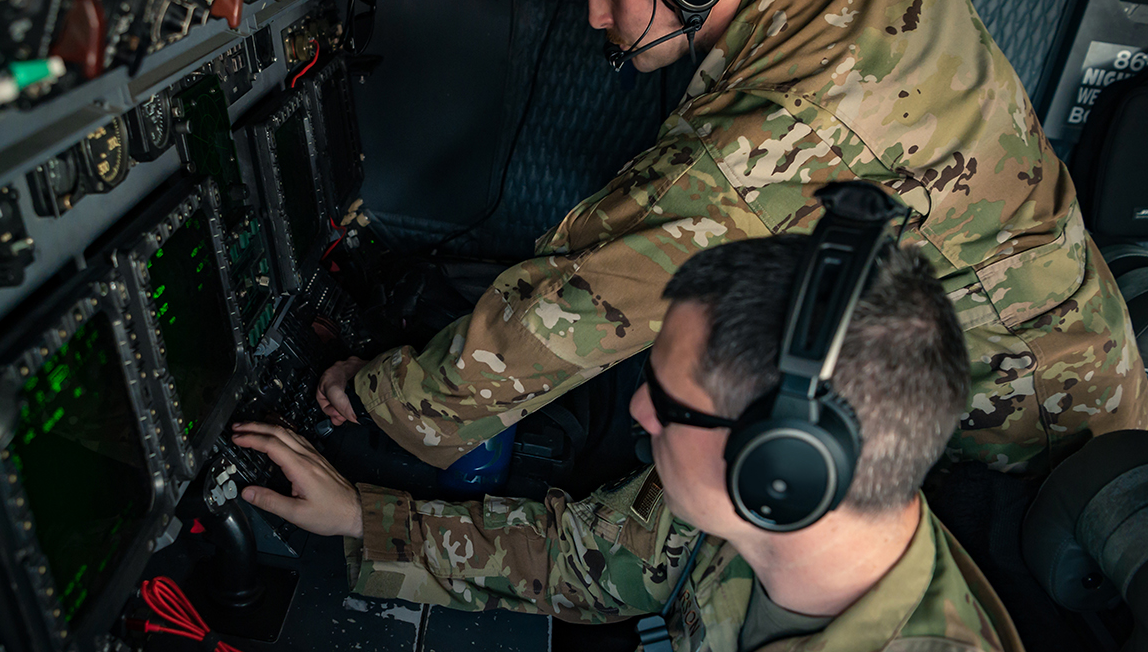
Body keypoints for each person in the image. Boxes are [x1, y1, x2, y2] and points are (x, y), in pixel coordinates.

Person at [317, 0, 1148, 476]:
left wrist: (380, 399)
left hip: (1028, 442)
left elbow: (579, 304)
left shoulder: (772, 131)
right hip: (1096, 367)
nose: (596, 17)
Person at [240, 234, 1023, 650]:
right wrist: (359, 519)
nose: (641, 410)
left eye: (673, 403)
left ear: (780, 466)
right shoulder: (778, 515)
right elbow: (594, 559)